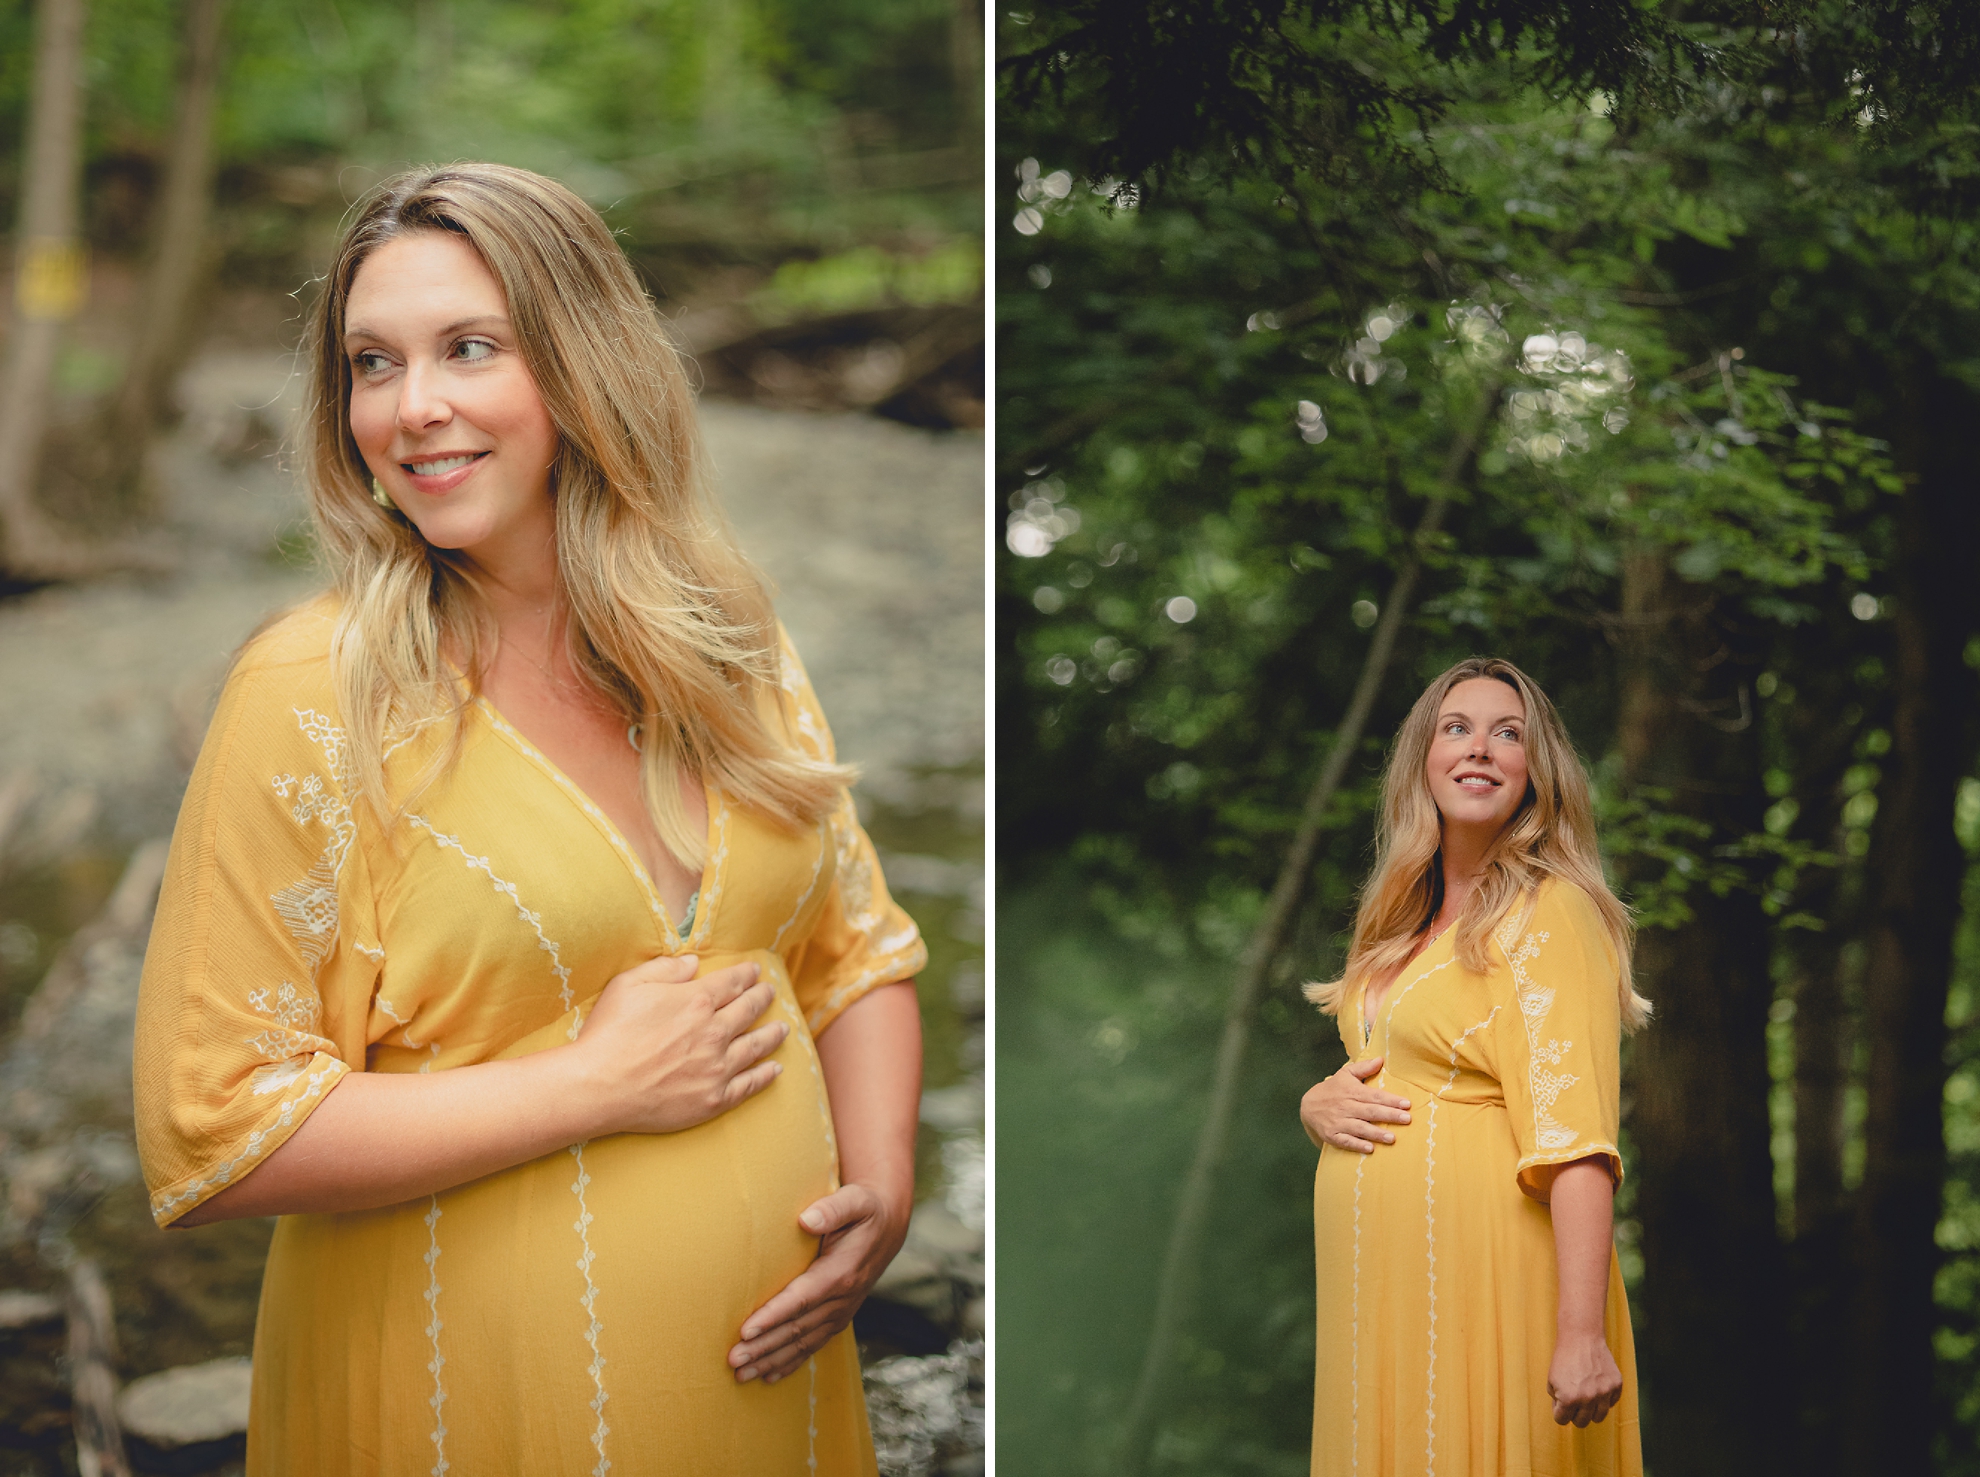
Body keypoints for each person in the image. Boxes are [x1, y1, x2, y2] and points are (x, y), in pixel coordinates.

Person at [132, 163, 928, 1475]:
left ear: (585, 361)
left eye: (468, 348)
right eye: (372, 364)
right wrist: (594, 1085)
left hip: (774, 1413)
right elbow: (215, 1127)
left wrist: (885, 1181)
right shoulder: (315, 691)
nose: (414, 406)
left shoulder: (730, 643)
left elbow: (855, 946)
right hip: (464, 1408)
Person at [1298, 657, 1647, 1476]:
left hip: (1489, 1287)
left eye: (1508, 733)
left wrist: (1580, 1331)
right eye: (1457, 728)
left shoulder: (1550, 909)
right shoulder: (1401, 924)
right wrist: (1318, 1105)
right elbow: (1389, 1070)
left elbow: (1579, 1137)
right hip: (1381, 1302)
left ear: (1537, 772)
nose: (1480, 748)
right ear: (1423, 756)